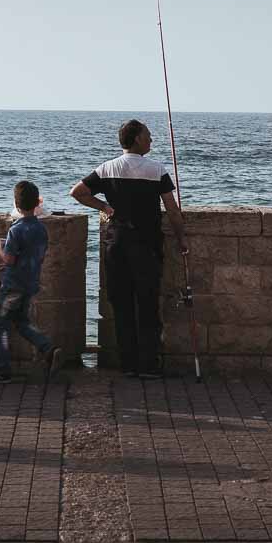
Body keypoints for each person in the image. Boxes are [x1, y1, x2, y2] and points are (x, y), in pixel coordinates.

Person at [70, 119, 187, 381]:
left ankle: (128, 364)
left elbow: (77, 192)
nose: (151, 139)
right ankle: (148, 365)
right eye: (147, 135)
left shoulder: (107, 168)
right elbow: (172, 210)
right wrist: (181, 239)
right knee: (147, 305)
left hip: (117, 245)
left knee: (121, 305)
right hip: (146, 245)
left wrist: (104, 207)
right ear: (136, 139)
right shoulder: (156, 170)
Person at [0, 181, 62, 384]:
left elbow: (9, 258)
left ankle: (2, 370)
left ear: (16, 204)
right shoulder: (41, 229)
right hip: (30, 282)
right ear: (38, 202)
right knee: (21, 322)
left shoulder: (16, 229)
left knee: (1, 325)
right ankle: (48, 348)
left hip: (13, 285)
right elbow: (33, 255)